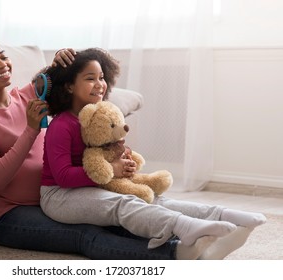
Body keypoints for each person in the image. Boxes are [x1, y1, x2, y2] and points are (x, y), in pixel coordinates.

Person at [0, 31, 221, 260]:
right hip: (10, 215)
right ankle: (175, 254)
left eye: (3, 56)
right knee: (86, 235)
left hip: (55, 198)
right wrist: (30, 130)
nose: (3, 64)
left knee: (115, 217)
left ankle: (188, 238)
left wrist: (60, 58)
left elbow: (57, 78)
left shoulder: (24, 95)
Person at [39, 47, 267, 260]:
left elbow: (102, 158)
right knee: (123, 203)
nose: (99, 84)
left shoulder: (99, 118)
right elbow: (64, 177)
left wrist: (121, 163)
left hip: (93, 186)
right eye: (90, 78)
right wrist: (112, 171)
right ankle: (185, 227)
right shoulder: (62, 125)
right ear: (69, 86)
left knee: (154, 199)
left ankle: (222, 215)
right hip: (59, 196)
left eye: (101, 77)